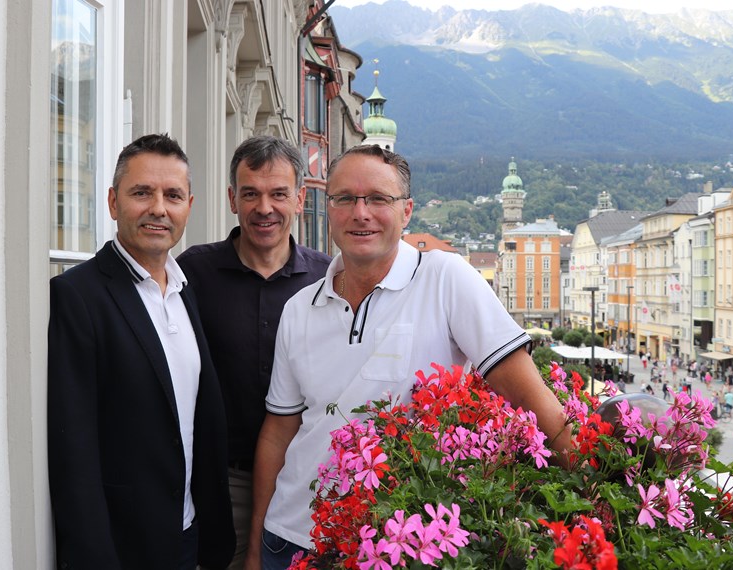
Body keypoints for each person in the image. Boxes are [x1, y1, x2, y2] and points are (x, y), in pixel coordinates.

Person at [247, 145, 572, 570]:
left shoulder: (445, 278)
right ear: (328, 209)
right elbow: (280, 429)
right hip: (290, 539)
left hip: (397, 544)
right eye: (345, 198)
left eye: (378, 199)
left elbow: (531, 398)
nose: (360, 212)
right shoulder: (299, 307)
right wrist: (256, 542)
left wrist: (592, 491)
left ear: (407, 211)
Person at [48, 134, 235, 569]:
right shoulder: (77, 297)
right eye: (141, 193)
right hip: (123, 546)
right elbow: (73, 451)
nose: (158, 208)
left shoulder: (185, 291)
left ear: (189, 205)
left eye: (172, 195)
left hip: (189, 537)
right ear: (113, 203)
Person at [176, 135, 331, 568]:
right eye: (251, 194)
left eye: (278, 194)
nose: (265, 208)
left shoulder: (327, 281)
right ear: (232, 199)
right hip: (222, 483)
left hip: (310, 480)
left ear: (299, 199)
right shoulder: (194, 273)